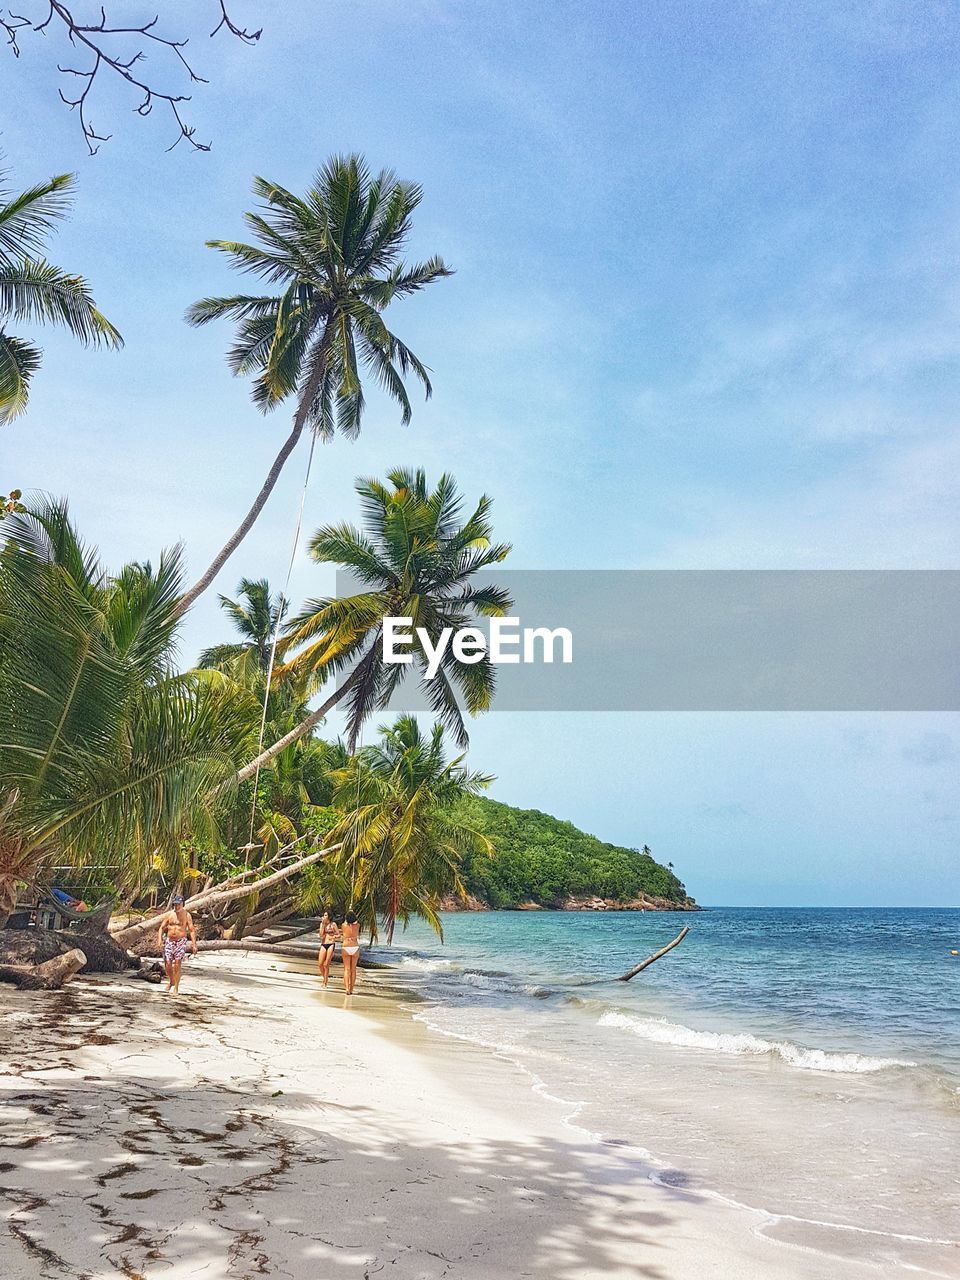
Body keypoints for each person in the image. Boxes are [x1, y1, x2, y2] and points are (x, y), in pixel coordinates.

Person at [157, 895, 197, 995]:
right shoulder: (169, 915)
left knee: (178, 963)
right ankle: (171, 981)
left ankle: (176, 988)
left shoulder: (187, 915)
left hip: (180, 941)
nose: (177, 906)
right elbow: (161, 928)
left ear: (183, 904)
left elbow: (191, 930)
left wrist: (194, 944)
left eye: (179, 904)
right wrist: (159, 939)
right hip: (169, 941)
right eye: (175, 904)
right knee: (168, 964)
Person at [317, 909, 340, 987]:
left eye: (326, 915)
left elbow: (339, 935)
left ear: (329, 917)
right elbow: (321, 935)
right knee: (320, 964)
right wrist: (323, 925)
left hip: (331, 944)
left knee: (326, 964)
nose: (324, 917)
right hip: (323, 944)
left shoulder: (333, 924)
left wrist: (334, 937)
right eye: (324, 915)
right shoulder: (322, 924)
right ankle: (325, 978)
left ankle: (325, 982)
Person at [340, 910, 361, 995]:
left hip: (346, 946)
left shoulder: (343, 926)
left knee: (346, 969)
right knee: (353, 969)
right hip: (355, 947)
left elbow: (346, 922)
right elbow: (356, 922)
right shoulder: (358, 926)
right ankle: (351, 988)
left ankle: (347, 989)